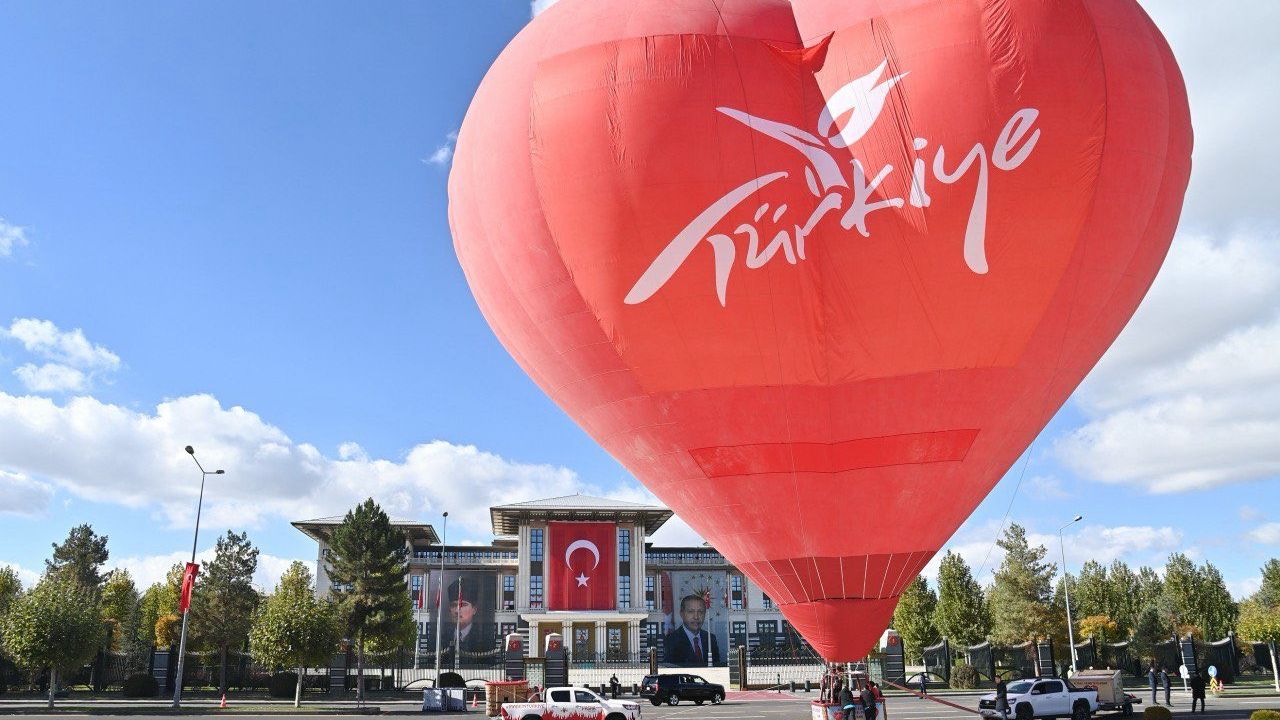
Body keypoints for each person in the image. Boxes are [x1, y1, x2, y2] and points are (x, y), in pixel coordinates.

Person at [662, 594, 722, 665]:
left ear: (705, 614)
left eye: (700, 612)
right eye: (691, 611)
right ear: (682, 614)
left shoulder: (711, 639)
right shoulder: (672, 640)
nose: (696, 617)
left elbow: (716, 667)